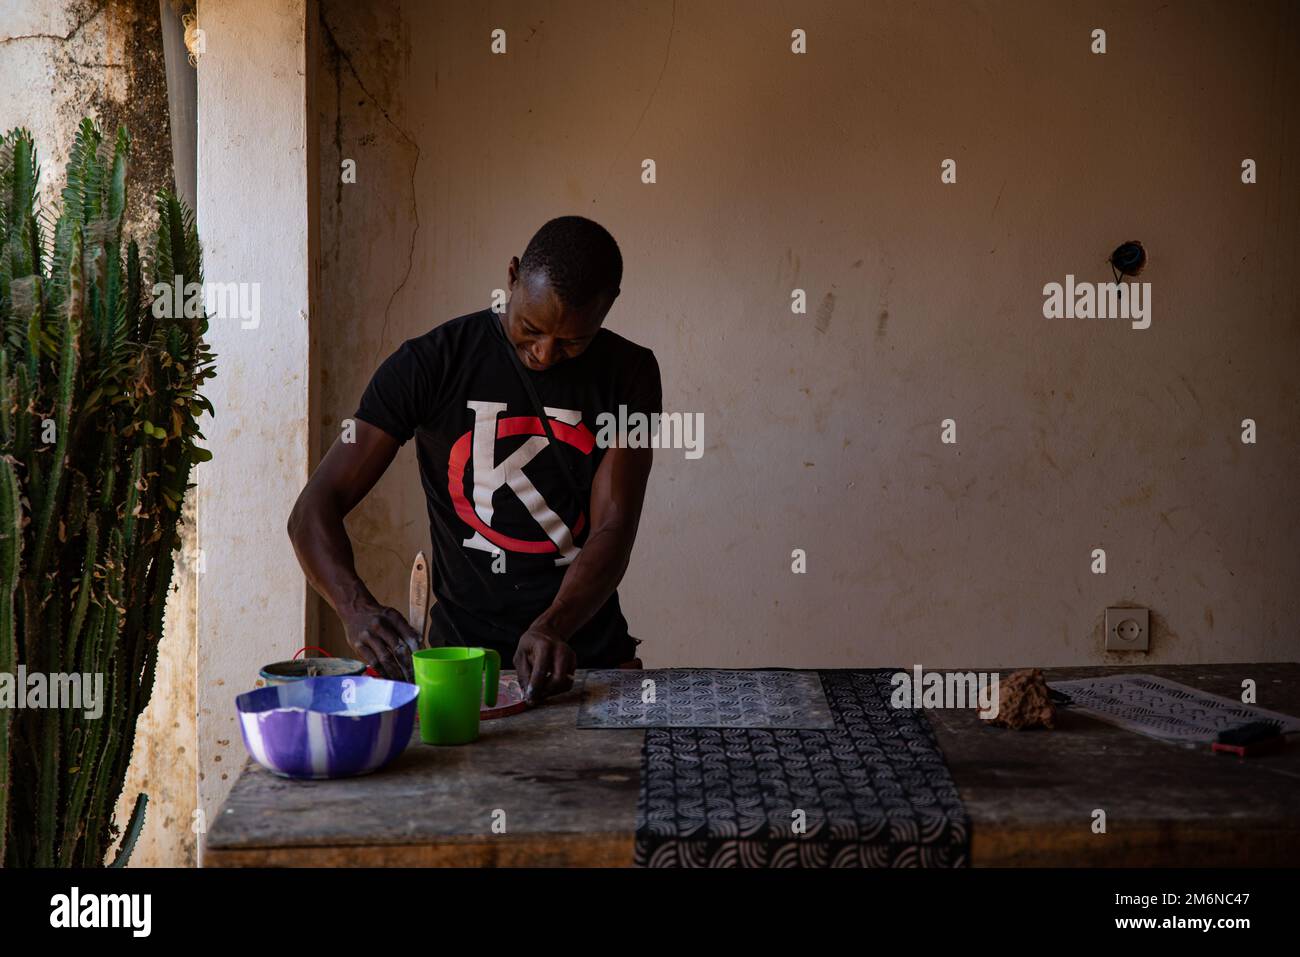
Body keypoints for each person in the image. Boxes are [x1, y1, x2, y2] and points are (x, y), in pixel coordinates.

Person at [287, 216, 660, 704]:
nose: (544, 354)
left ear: (607, 307)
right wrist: (355, 608)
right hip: (459, 668)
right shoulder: (431, 363)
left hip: (586, 661)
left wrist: (552, 626)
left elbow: (615, 527)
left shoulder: (631, 373)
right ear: (511, 276)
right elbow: (314, 507)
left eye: (572, 342)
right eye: (530, 328)